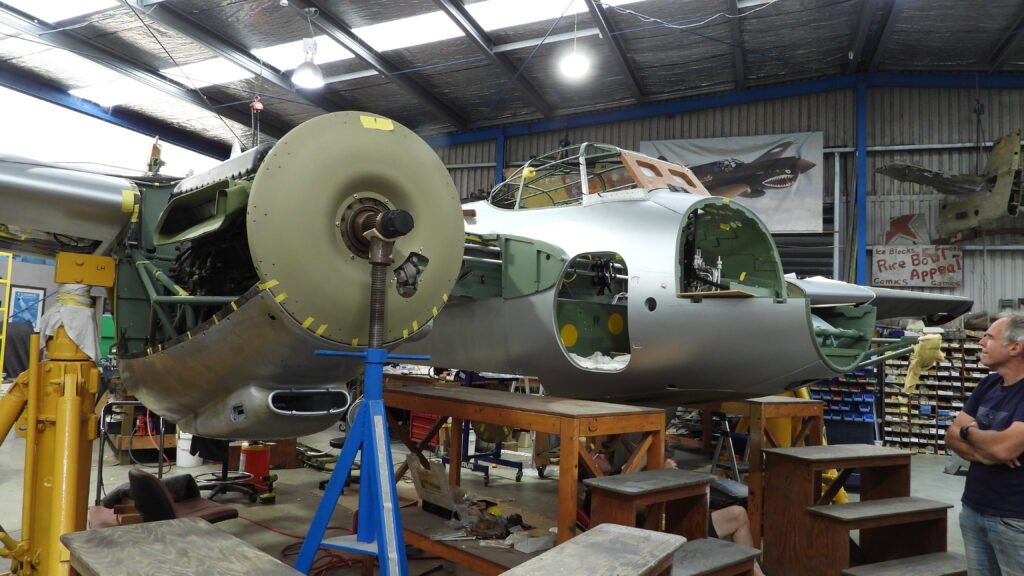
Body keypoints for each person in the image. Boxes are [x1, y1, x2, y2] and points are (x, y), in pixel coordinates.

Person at [945, 312, 1024, 575]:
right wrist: (984, 453)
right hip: (973, 509)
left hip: (1015, 518)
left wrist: (969, 432)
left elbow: (1004, 449)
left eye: (989, 337)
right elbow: (951, 435)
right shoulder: (989, 384)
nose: (981, 342)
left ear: (1015, 347)